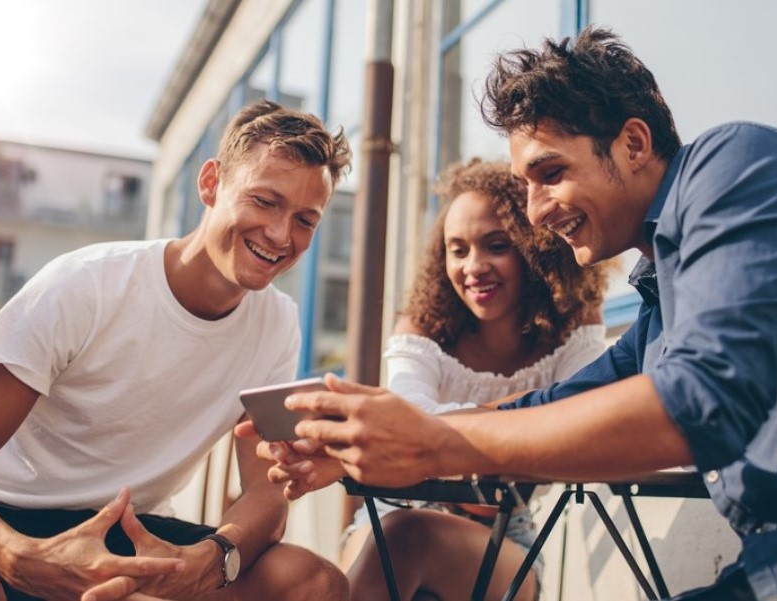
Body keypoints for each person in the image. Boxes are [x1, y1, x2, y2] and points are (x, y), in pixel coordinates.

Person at [254, 27, 777, 601]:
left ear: (634, 143)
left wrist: (437, 446)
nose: (538, 210)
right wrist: (367, 445)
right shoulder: (665, 302)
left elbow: (700, 403)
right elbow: (545, 405)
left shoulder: (738, 167)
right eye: (524, 184)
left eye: (550, 173)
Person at [0, 99, 352, 601]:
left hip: (130, 533)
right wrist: (19, 557)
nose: (280, 235)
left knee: (312, 583)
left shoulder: (277, 323)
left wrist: (215, 556)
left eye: (305, 221)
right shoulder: (85, 285)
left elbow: (265, 489)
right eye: (265, 201)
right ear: (211, 183)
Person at [258, 159, 608, 600]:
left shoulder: (574, 324)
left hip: (502, 531)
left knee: (408, 536)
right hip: (390, 511)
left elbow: (581, 417)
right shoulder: (421, 328)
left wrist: (432, 435)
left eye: (496, 245)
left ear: (535, 248)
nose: (473, 266)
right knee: (397, 532)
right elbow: (410, 418)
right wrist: (529, 413)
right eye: (457, 250)